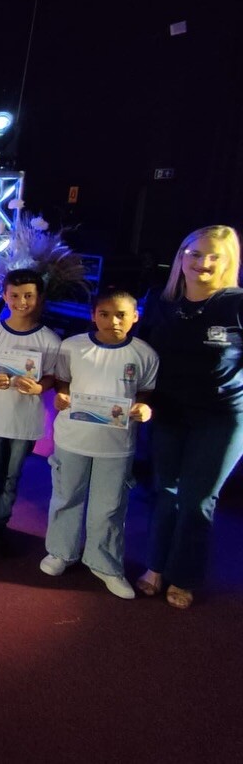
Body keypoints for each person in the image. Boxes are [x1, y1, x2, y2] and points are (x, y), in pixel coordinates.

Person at [136, 225, 243, 609]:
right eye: (195, 253)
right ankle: (155, 566)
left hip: (222, 417)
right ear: (181, 256)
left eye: (215, 256)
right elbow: (140, 354)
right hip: (169, 412)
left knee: (197, 499)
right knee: (165, 492)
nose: (203, 263)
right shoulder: (160, 301)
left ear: (229, 262)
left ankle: (183, 576)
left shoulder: (236, 304)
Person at [40, 288, 157, 599]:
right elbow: (62, 381)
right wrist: (62, 396)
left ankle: (104, 563)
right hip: (72, 438)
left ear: (135, 317)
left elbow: (145, 391)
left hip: (116, 445)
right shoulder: (72, 347)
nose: (113, 321)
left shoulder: (144, 354)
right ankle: (61, 552)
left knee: (110, 507)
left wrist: (143, 407)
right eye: (104, 314)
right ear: (93, 316)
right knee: (66, 496)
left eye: (121, 315)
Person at [0, 269, 61, 552]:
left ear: (39, 298)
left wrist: (40, 387)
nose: (21, 302)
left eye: (28, 296)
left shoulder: (49, 340)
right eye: (15, 295)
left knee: (10, 478)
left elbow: (53, 376)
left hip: (24, 422)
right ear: (4, 296)